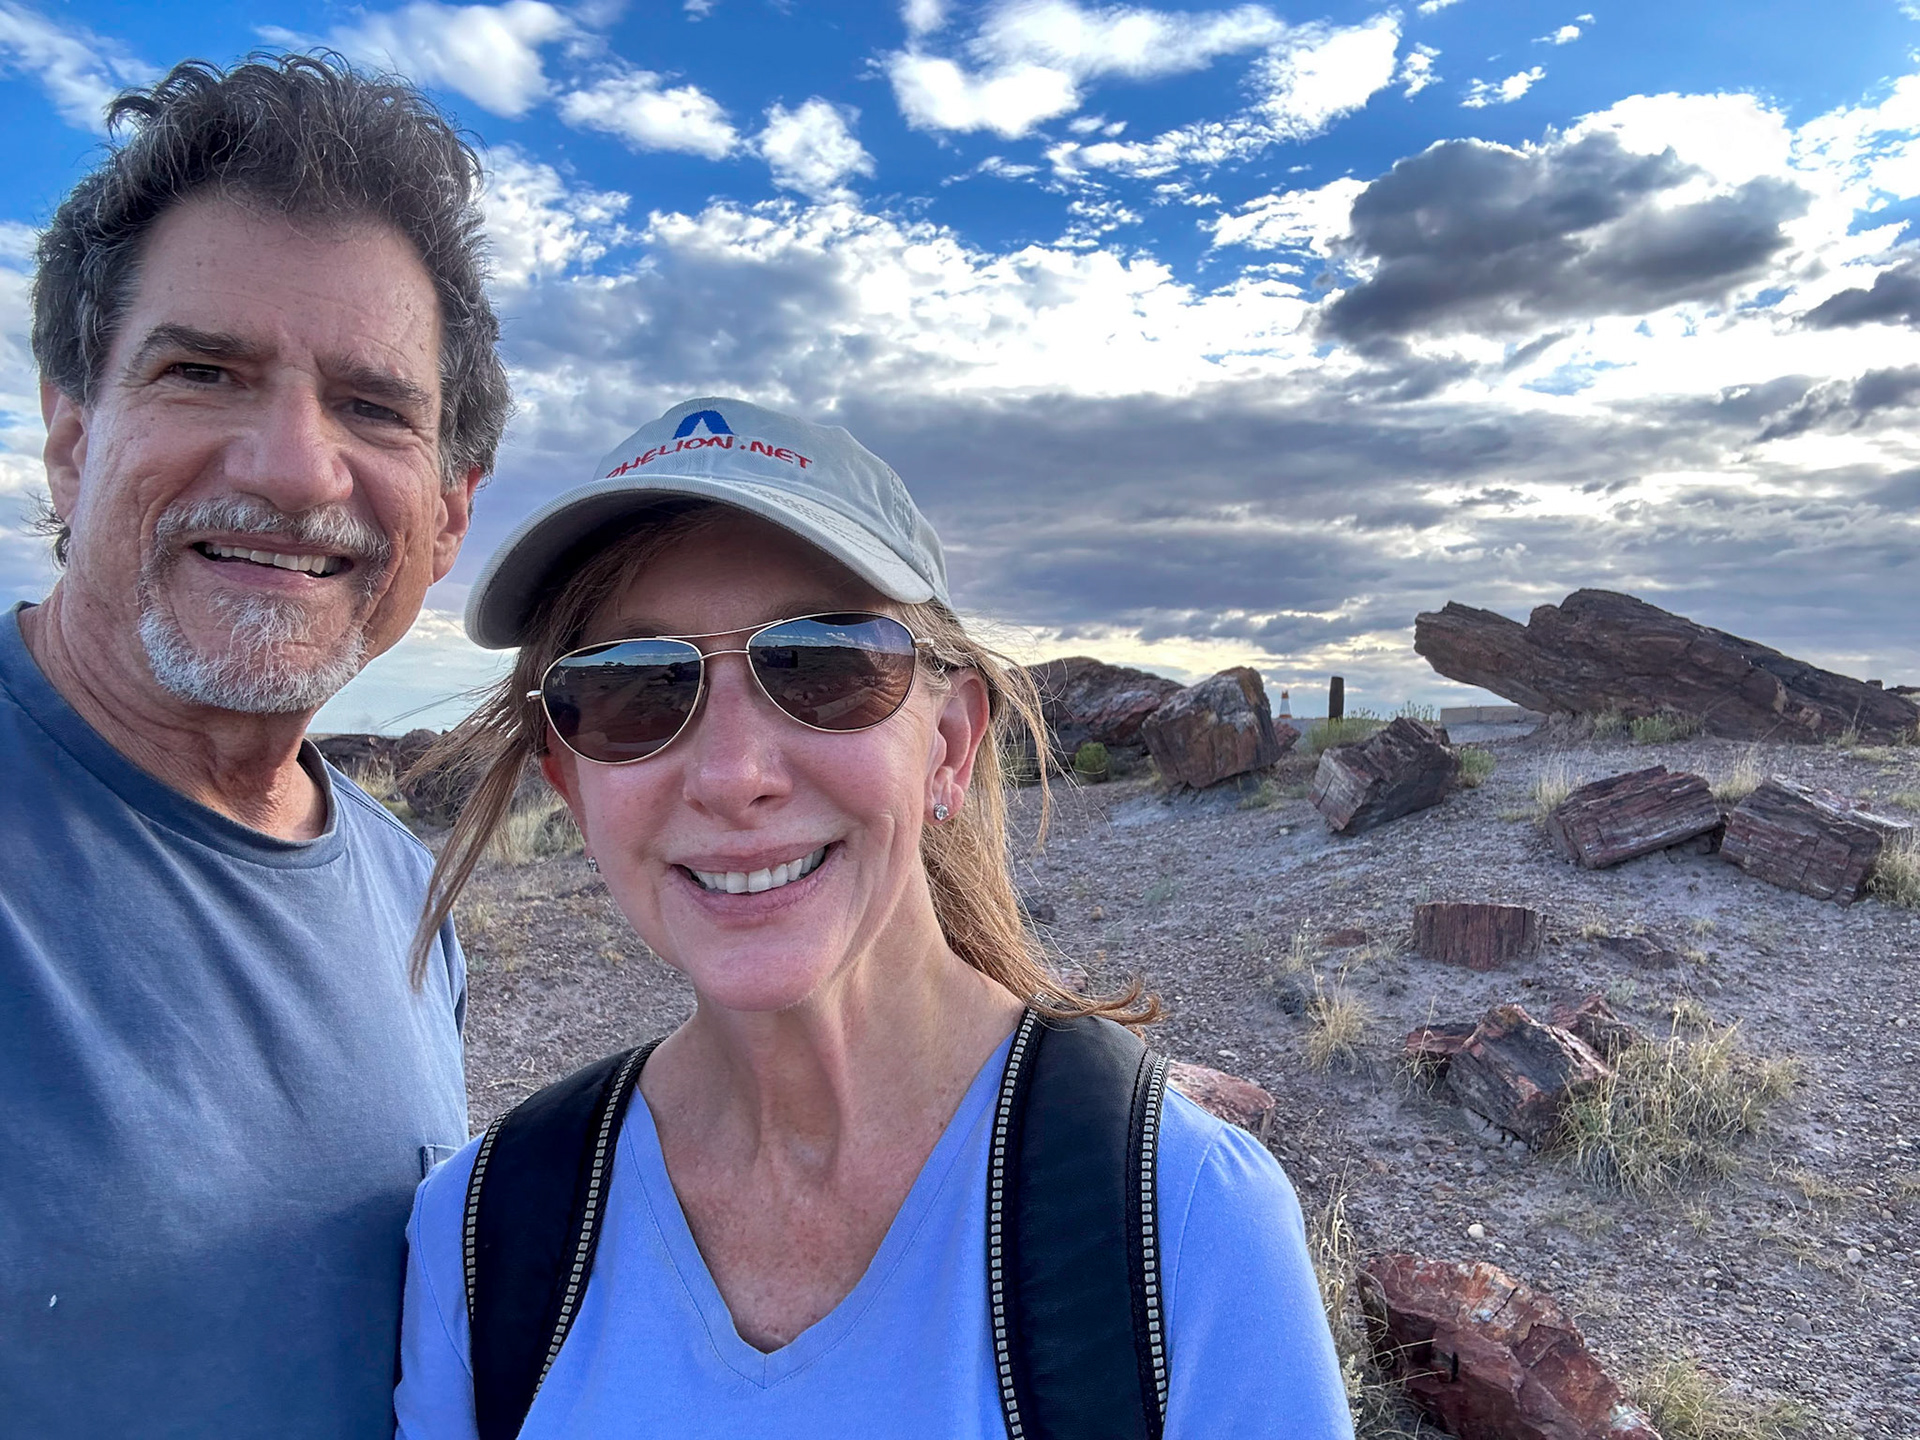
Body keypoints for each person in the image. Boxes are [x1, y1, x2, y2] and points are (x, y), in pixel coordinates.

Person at [392, 397, 1352, 1437]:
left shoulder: (1184, 1231)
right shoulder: (488, 1236)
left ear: (948, 744)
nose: (733, 776)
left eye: (819, 665)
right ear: (573, 788)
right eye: (632, 689)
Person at [1, 54, 509, 1437]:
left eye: (372, 405)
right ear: (69, 436)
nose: (292, 467)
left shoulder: (409, 897)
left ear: (450, 514)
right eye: (206, 371)